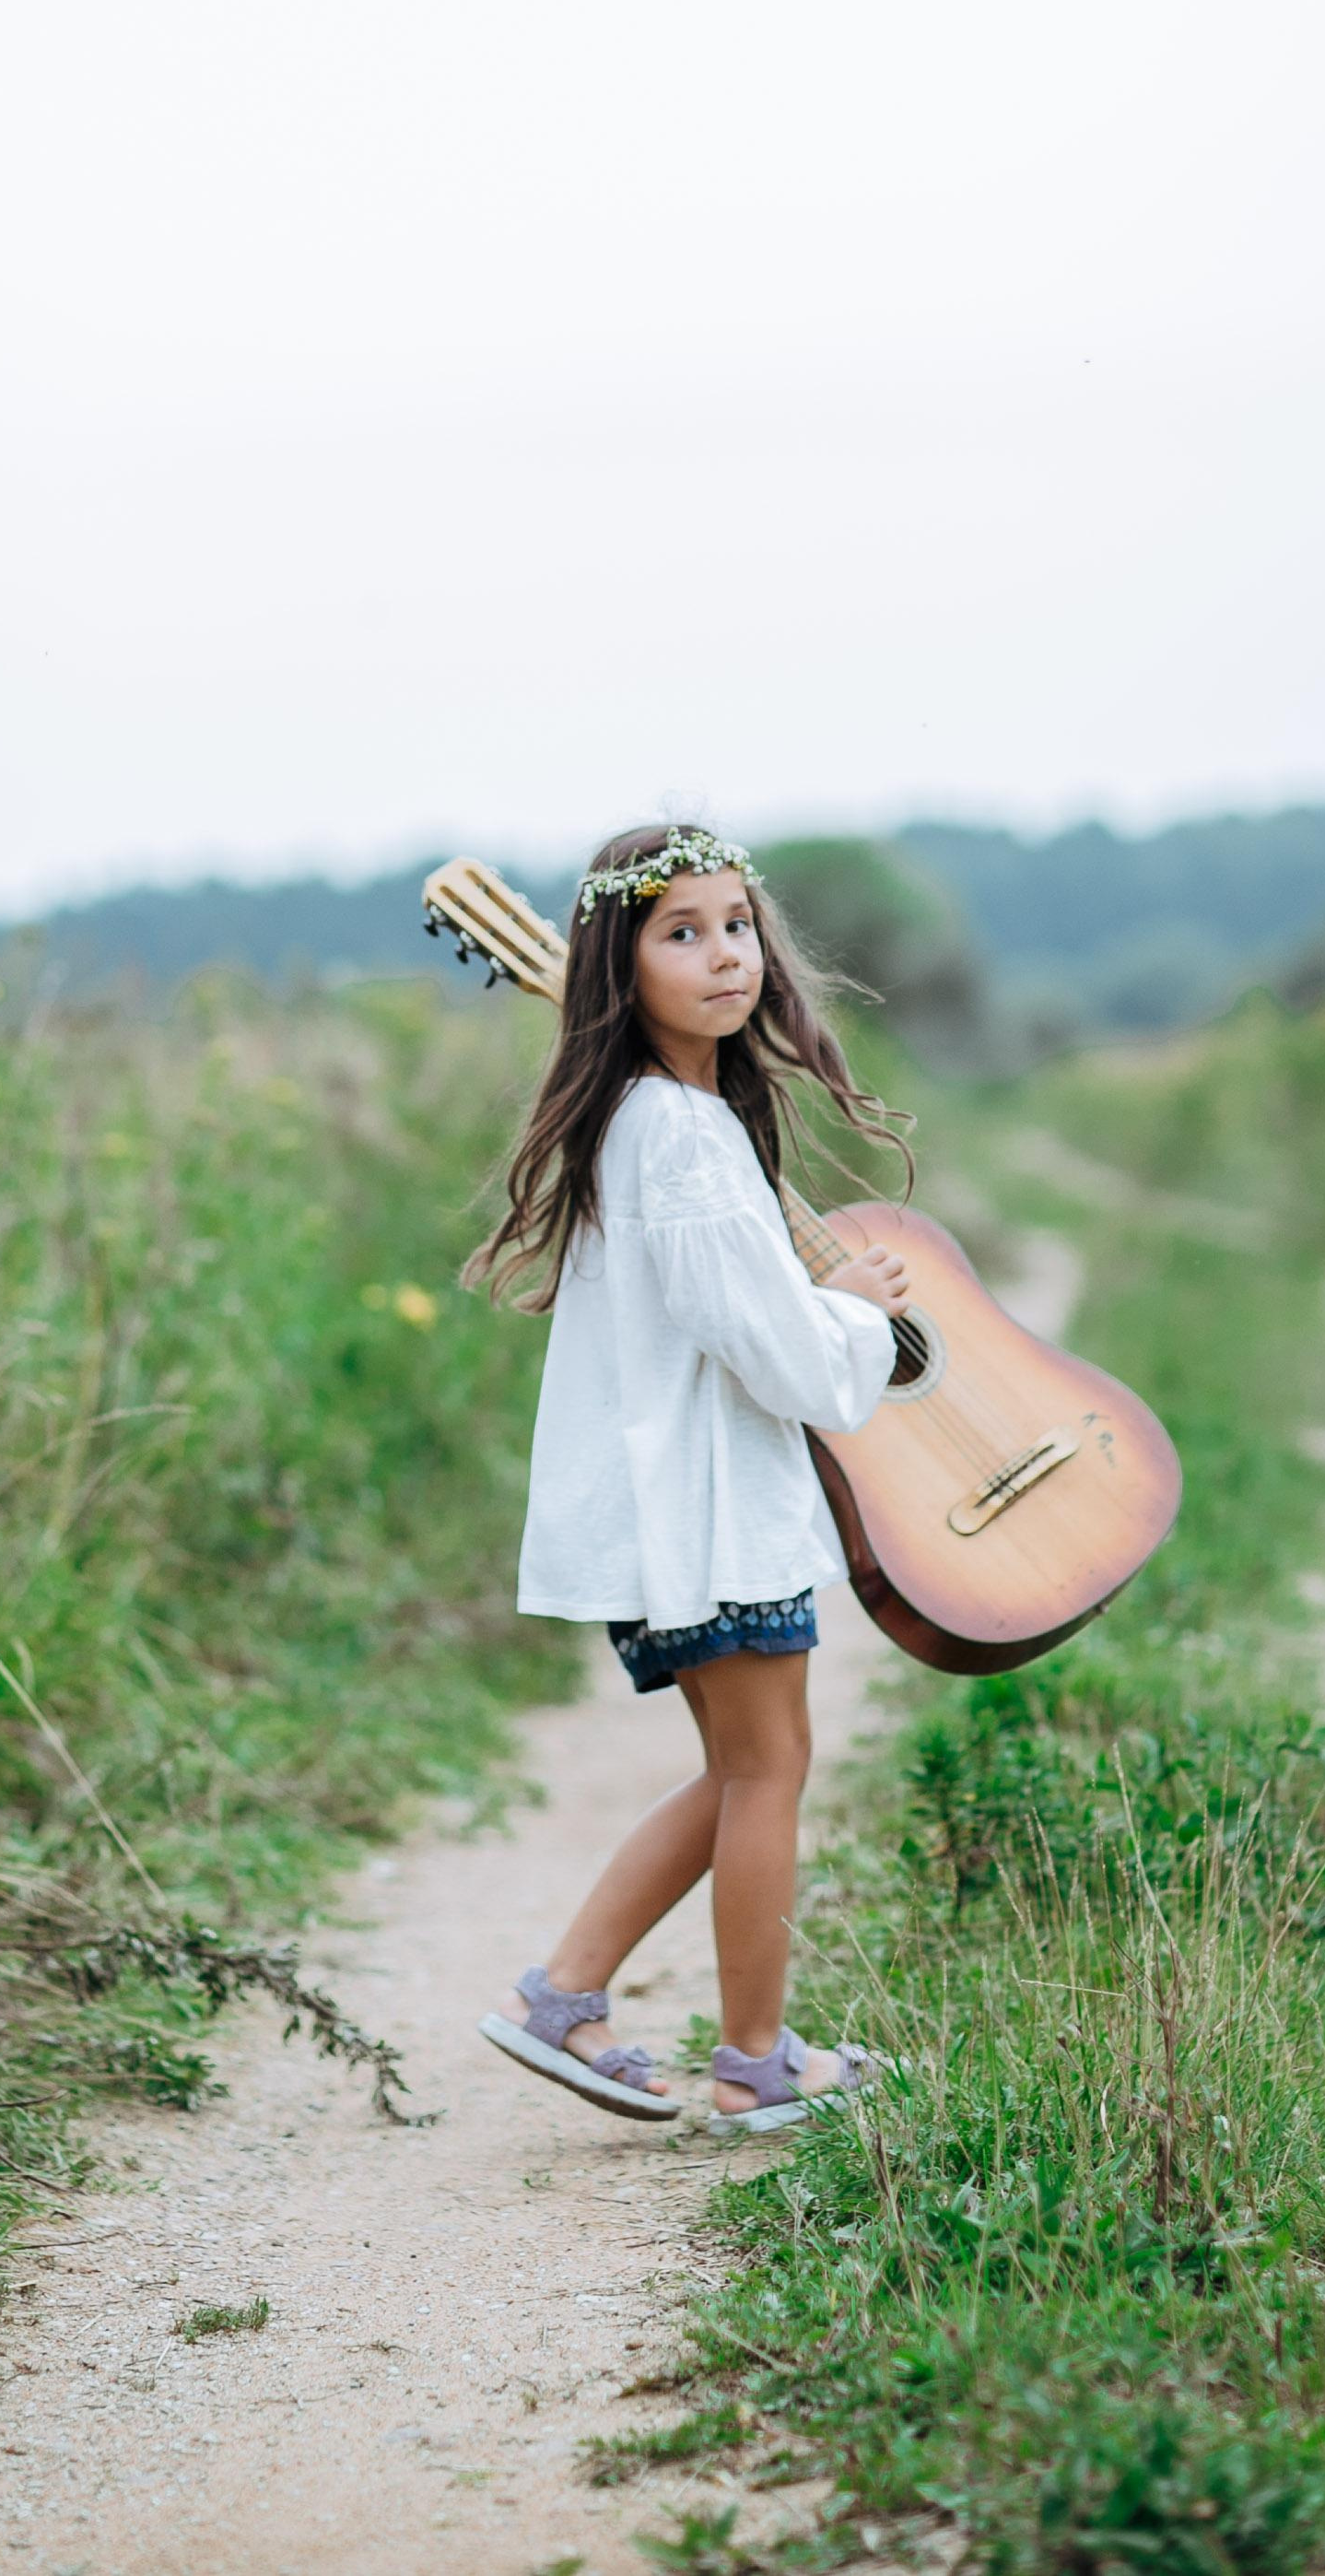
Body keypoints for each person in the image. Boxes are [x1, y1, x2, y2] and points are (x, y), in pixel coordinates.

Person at [470, 824, 911, 2133]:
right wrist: (850, 1314)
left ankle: (565, 1997)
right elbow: (773, 1348)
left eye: (735, 925)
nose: (722, 954)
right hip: (708, 1512)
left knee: (742, 1766)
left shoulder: (669, 1118)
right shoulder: (675, 1134)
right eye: (680, 932)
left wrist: (819, 1304)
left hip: (693, 1506)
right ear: (623, 960)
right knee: (770, 1766)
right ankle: (755, 2059)